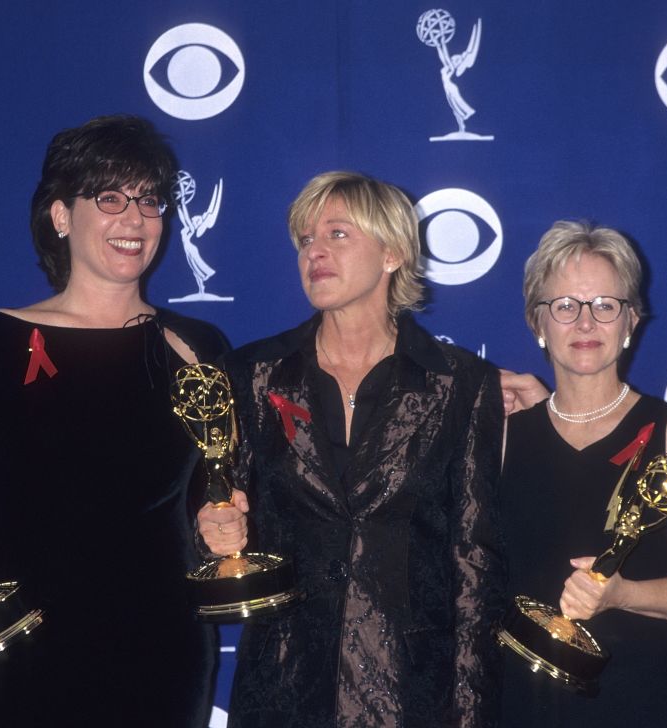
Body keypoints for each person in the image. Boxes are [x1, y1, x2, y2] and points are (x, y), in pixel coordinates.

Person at [0, 115, 228, 727]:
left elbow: (222, 493)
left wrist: (232, 526)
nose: (135, 219)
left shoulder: (198, 346)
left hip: (161, 646)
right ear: (59, 215)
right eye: (110, 198)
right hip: (19, 641)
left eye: (150, 200)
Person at [200, 171, 505, 727]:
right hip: (283, 692)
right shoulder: (252, 374)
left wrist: (470, 715)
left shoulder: (461, 384)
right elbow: (212, 519)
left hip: (412, 695)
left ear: (392, 252)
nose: (314, 251)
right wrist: (212, 529)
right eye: (305, 239)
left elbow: (474, 566)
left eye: (337, 234)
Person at [498, 221, 667, 727]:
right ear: (536, 323)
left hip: (653, 700)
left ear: (630, 322)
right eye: (565, 306)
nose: (585, 323)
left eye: (605, 305)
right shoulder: (501, 438)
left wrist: (625, 593)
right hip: (527, 703)